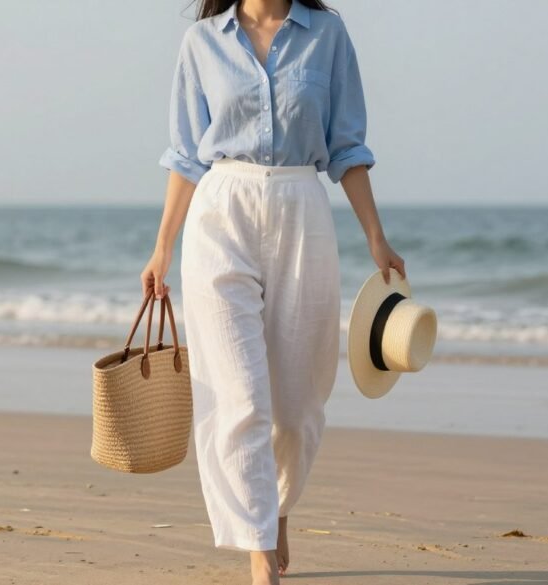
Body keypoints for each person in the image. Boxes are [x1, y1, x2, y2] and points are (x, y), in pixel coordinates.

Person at [142, 1, 405, 583]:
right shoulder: (203, 43)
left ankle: (276, 505)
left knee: (297, 403)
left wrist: (376, 238)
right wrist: (162, 247)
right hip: (221, 212)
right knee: (237, 394)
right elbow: (186, 155)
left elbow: (347, 148)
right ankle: (259, 551)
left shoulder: (328, 36)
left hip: (301, 209)